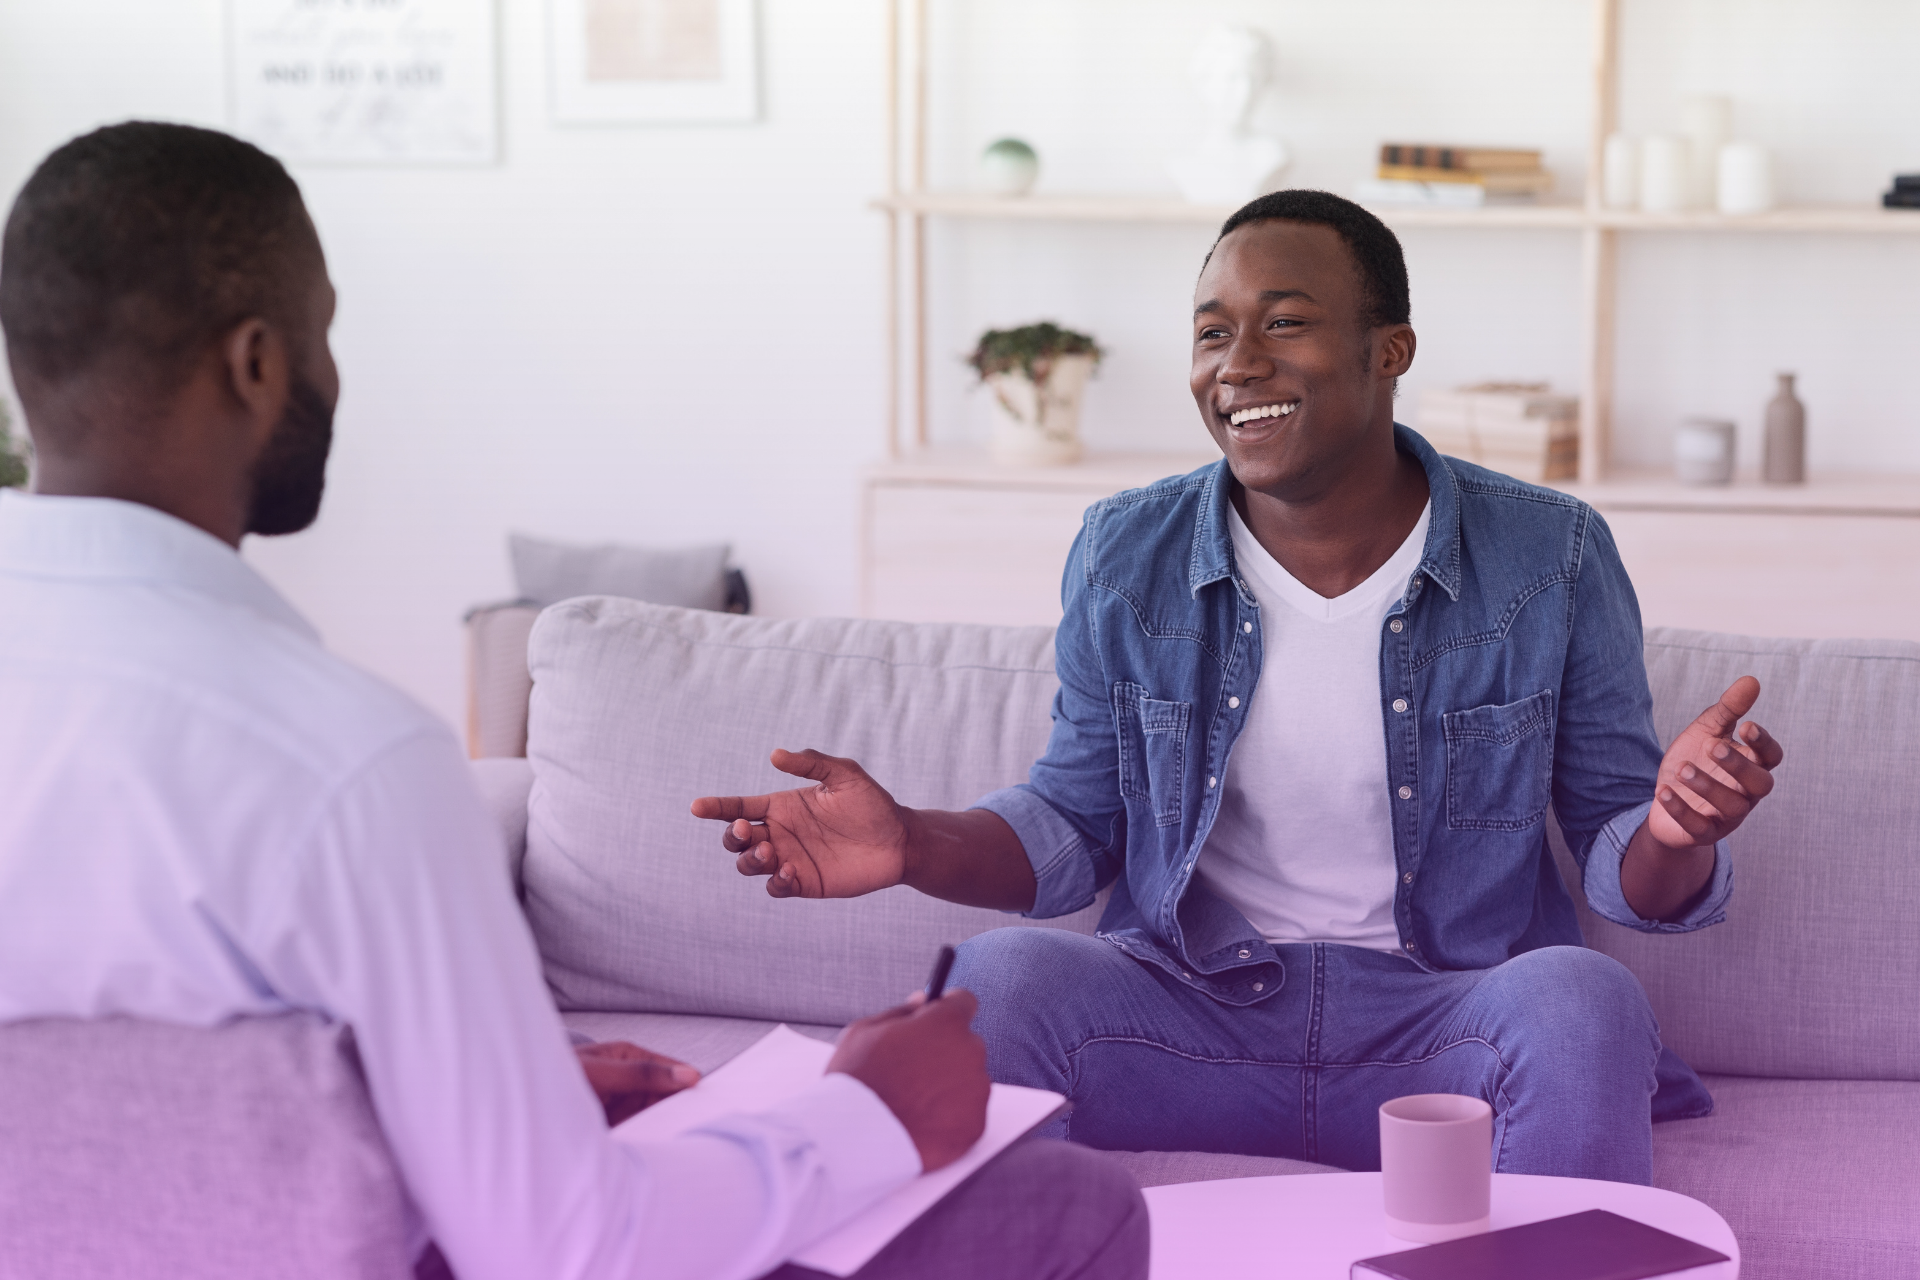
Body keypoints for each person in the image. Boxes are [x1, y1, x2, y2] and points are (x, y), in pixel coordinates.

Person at [0, 122, 1147, 1280]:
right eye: (324, 332)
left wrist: (476, 1106)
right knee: (1062, 1206)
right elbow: (572, 1244)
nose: (333, 375)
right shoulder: (340, 763)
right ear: (255, 363)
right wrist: (868, 1112)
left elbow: (125, 1134)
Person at [694, 189, 1785, 1186]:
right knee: (1000, 979)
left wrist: (1676, 825)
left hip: (1439, 1031)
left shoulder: (1552, 555)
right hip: (1189, 1019)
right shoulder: (1126, 552)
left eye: (1285, 321)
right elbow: (1077, 820)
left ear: (1388, 350)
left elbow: (1624, 867)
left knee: (1583, 996)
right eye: (1213, 331)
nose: (1238, 362)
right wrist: (913, 843)